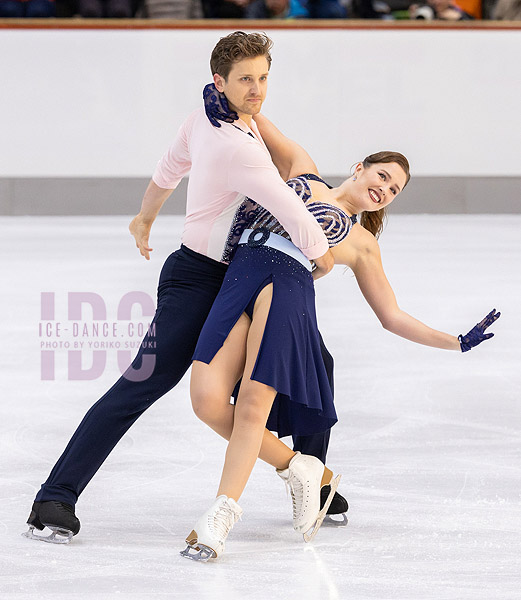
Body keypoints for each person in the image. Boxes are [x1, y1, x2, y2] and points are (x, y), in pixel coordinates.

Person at [23, 31, 348, 546]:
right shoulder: (232, 142)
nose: (257, 89)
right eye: (246, 80)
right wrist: (322, 253)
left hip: (243, 274)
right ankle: (55, 497)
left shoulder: (214, 115)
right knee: (145, 381)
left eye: (263, 78)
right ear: (220, 80)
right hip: (199, 278)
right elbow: (287, 208)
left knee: (313, 361)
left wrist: (144, 217)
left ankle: (315, 481)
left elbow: (168, 168)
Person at [179, 101, 500, 561]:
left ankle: (221, 514)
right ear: (360, 168)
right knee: (207, 403)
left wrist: (457, 341)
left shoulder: (362, 243)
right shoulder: (303, 173)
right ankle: (302, 468)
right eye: (383, 176)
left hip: (285, 289)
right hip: (236, 281)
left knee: (252, 403)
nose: (385, 189)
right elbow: (255, 120)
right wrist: (223, 94)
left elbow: (391, 315)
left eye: (395, 189)